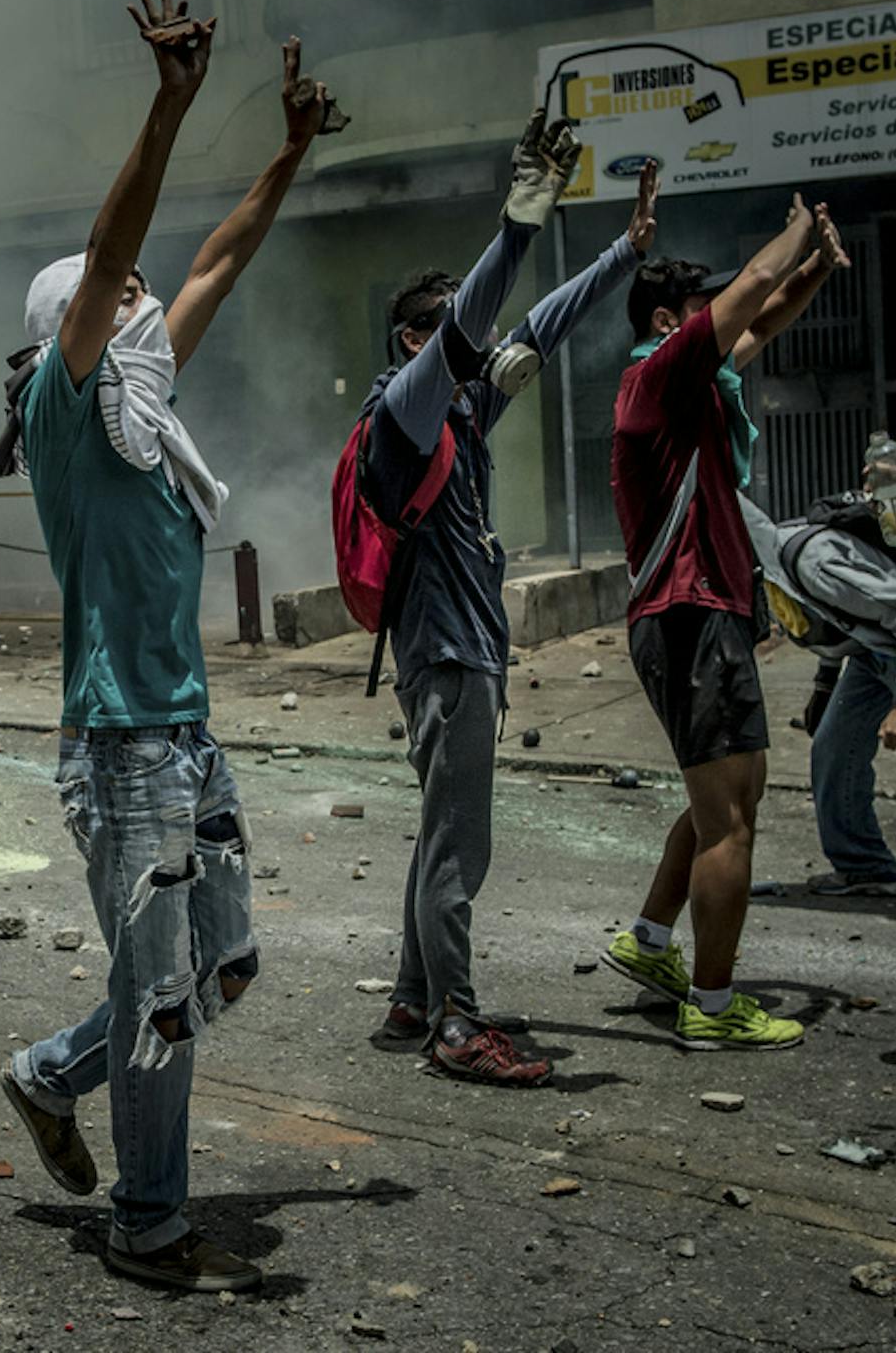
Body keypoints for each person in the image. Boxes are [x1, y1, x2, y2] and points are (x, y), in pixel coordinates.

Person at [0, 0, 336, 1294]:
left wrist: (290, 156)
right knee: (160, 1001)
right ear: (75, 325)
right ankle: (146, 1222)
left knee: (225, 969)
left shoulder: (142, 396)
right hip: (120, 745)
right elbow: (115, 253)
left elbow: (218, 264)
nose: (147, 293)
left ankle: (48, 1074)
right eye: (119, 293)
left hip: (186, 739)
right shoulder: (67, 405)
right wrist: (172, 104)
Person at [359, 130, 658, 1086]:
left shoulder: (463, 413)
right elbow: (481, 319)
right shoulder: (405, 411)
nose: (477, 339)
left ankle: (414, 995)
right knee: (460, 847)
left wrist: (624, 253)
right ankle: (456, 1023)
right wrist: (518, 222)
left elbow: (543, 326)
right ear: (415, 340)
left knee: (441, 832)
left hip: (464, 650)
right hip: (448, 656)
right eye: (450, 329)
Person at [600, 194, 849, 1051]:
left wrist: (813, 269)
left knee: (731, 803)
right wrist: (797, 233)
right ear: (670, 322)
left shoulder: (692, 379)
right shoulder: (660, 374)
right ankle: (712, 1012)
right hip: (686, 615)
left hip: (706, 612)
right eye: (702, 318)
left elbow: (764, 314)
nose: (722, 329)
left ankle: (652, 939)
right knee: (729, 820)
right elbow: (753, 285)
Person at [740, 493, 896, 897]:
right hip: (876, 652)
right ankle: (864, 867)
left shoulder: (808, 561)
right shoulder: (772, 567)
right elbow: (841, 620)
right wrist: (824, 686)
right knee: (835, 751)